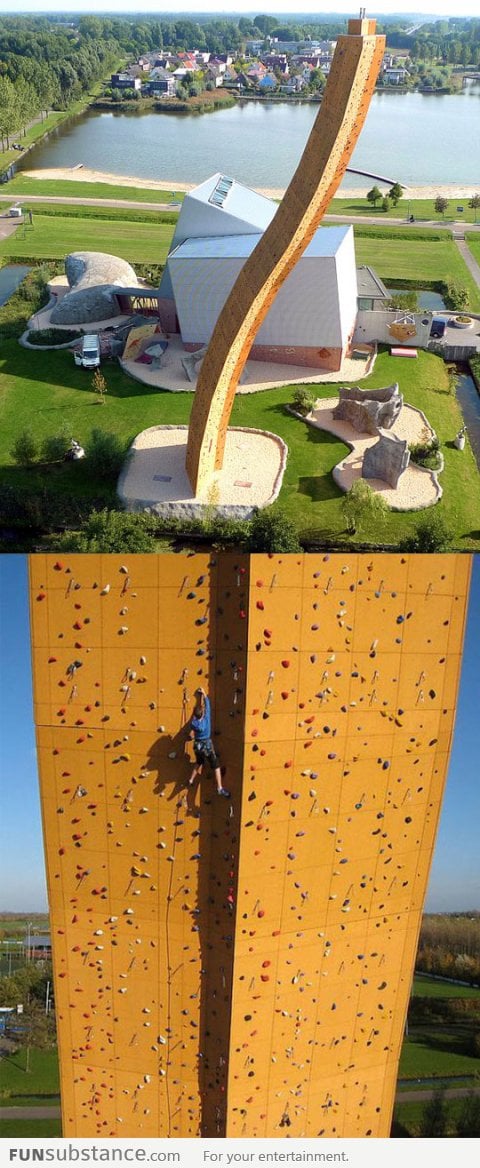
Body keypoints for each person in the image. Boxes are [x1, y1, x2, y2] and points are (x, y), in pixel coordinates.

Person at [186, 688, 230, 797]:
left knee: (199, 762)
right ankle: (219, 787)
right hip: (207, 745)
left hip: (197, 745)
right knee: (216, 765)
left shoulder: (194, 724)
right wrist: (204, 694)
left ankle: (191, 780)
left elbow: (194, 721)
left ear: (195, 716)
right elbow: (207, 704)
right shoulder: (206, 719)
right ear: (203, 714)